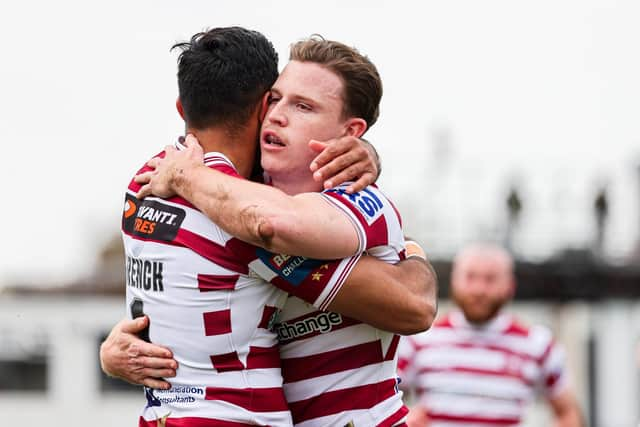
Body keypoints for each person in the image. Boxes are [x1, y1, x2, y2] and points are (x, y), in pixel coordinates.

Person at [104, 28, 437, 426]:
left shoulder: (355, 202)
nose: (279, 114)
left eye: (303, 107)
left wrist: (185, 177)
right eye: (276, 100)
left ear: (350, 133)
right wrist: (121, 347)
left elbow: (416, 306)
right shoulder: (240, 197)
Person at [397, 243, 583, 427]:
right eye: (470, 277)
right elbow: (382, 400)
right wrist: (406, 419)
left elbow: (568, 412)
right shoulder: (419, 340)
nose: (479, 290)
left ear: (510, 286)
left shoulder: (538, 345)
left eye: (490, 279)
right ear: (454, 281)